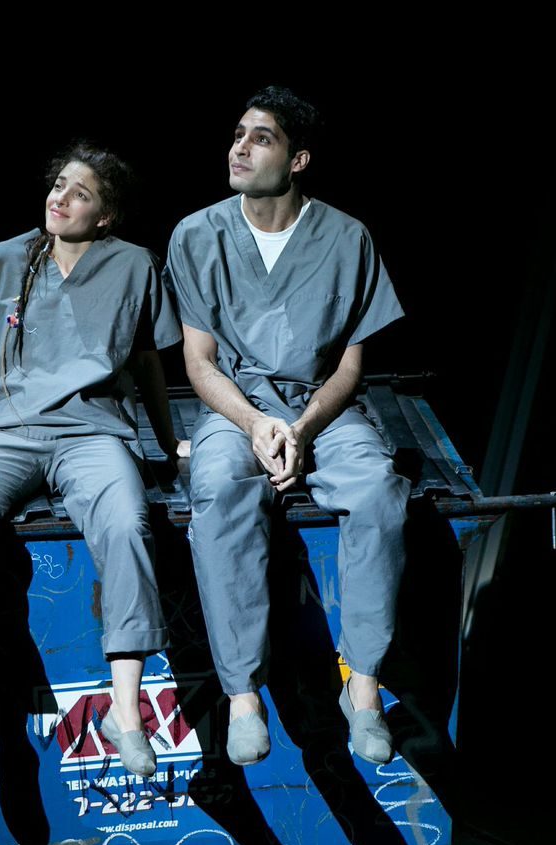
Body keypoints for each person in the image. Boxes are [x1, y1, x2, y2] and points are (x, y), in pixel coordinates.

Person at [0, 143, 185, 778]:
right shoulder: (9, 256)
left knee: (126, 521)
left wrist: (165, 442)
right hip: (13, 431)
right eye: (58, 185)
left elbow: (148, 359)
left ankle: (125, 712)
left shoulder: (135, 266)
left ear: (105, 215)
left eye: (79, 194)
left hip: (94, 432)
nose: (59, 198)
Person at [163, 87, 408, 766]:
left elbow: (350, 368)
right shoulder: (197, 235)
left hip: (322, 408)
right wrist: (255, 424)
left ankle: (363, 688)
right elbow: (199, 362)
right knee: (218, 489)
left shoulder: (348, 238)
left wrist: (300, 427)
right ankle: (244, 696)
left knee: (379, 490)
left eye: (261, 138)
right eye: (237, 134)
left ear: (298, 159)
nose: (240, 148)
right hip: (235, 407)